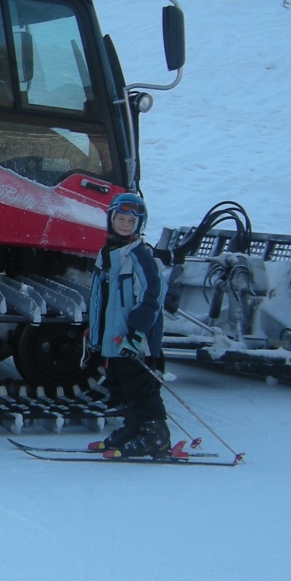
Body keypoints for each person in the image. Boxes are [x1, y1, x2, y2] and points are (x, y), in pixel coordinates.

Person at [85, 193, 173, 459]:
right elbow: (102, 297)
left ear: (139, 225)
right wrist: (95, 329)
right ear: (111, 220)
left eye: (131, 221)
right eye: (120, 218)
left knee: (140, 386)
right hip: (113, 339)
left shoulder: (140, 256)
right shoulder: (108, 253)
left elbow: (151, 298)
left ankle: (155, 435)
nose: (125, 224)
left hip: (135, 340)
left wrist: (136, 334)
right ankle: (134, 427)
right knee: (121, 386)